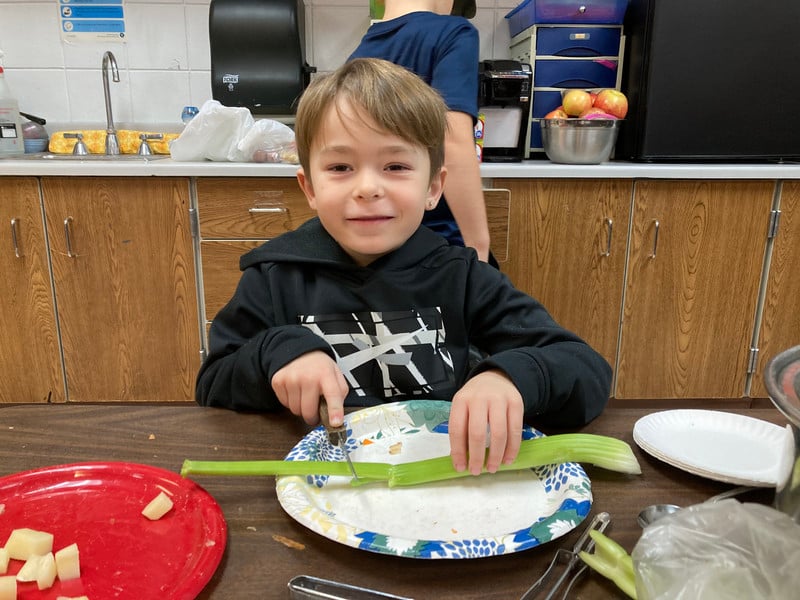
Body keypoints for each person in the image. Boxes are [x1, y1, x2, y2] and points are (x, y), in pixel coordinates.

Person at [195, 58, 611, 476]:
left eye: (395, 166)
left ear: (432, 187)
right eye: (340, 168)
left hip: (447, 491)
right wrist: (275, 352)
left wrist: (509, 378)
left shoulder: (462, 277)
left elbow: (586, 369)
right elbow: (212, 386)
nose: (368, 188)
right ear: (310, 188)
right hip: (322, 491)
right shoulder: (272, 278)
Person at [349, 0, 492, 263]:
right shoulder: (453, 32)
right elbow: (452, 139)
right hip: (440, 240)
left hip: (383, 239)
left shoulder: (361, 52)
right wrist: (478, 246)